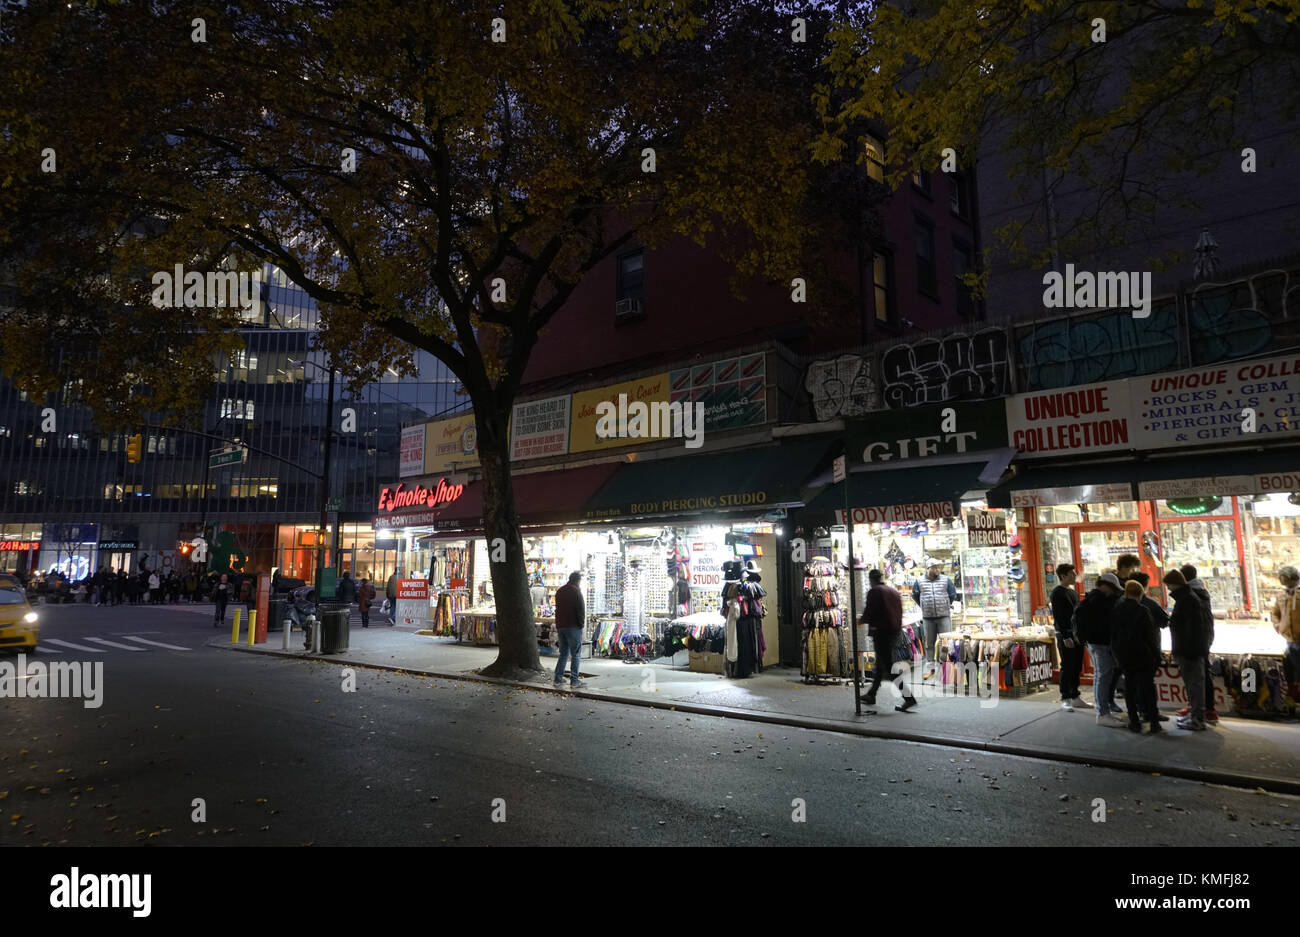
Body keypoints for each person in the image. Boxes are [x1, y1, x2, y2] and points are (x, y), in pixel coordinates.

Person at [1162, 568, 1213, 730]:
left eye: (1169, 585)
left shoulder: (1188, 599)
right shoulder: (1187, 598)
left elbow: (1193, 628)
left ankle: (1197, 719)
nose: (1168, 588)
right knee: (1193, 684)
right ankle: (1195, 715)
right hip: (1188, 648)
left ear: (1175, 583)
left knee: (1194, 684)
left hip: (1189, 649)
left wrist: (1188, 649)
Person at [861, 568, 916, 712]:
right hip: (893, 631)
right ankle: (871, 694)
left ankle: (909, 698)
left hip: (881, 632)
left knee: (889, 668)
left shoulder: (874, 592)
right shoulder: (892, 591)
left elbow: (869, 611)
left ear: (871, 580)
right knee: (880, 665)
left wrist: (861, 620)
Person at [1074, 572, 1124, 726]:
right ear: (1107, 586)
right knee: (1103, 677)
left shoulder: (1091, 599)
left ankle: (1103, 711)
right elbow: (1106, 624)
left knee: (1100, 676)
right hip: (1101, 644)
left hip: (1094, 643)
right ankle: (1103, 713)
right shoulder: (1101, 601)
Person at [1177, 563, 1218, 723]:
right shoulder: (1200, 590)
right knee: (1200, 675)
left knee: (1198, 676)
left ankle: (1204, 710)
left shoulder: (1192, 594)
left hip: (1197, 640)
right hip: (1203, 637)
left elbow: (1191, 621)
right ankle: (1199, 707)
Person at [1130, 571, 1170, 723]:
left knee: (1133, 683)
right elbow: (1165, 621)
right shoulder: (1149, 604)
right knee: (1147, 683)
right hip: (1148, 649)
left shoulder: (1122, 603)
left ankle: (1138, 712)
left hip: (1128, 650)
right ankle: (1149, 714)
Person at [1050, 563, 1088, 711]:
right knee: (1067, 665)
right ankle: (1065, 697)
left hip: (1076, 634)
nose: (1074, 576)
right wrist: (1066, 636)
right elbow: (1059, 617)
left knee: (1077, 665)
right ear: (1063, 576)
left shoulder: (1072, 592)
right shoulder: (1057, 593)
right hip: (1064, 634)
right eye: (1071, 573)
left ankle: (1075, 695)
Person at [911, 558, 957, 662]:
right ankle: (931, 668)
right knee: (929, 644)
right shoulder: (919, 581)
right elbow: (915, 596)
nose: (938, 569)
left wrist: (945, 604)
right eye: (935, 567)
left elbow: (952, 595)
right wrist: (924, 605)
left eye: (938, 567)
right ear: (928, 568)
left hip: (944, 616)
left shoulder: (946, 580)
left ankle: (946, 666)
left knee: (946, 642)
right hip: (928, 618)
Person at [553, 571, 586, 689]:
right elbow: (581, 610)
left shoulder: (560, 591)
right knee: (576, 654)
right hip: (573, 626)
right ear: (578, 580)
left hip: (561, 626)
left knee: (563, 653)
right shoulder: (576, 591)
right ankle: (574, 680)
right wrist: (581, 624)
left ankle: (557, 678)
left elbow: (557, 609)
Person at [1270, 565, 1300, 693]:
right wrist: (1278, 626)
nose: (1282, 581)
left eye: (1284, 578)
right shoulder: (1282, 596)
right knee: (1294, 668)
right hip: (1289, 638)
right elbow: (1275, 613)